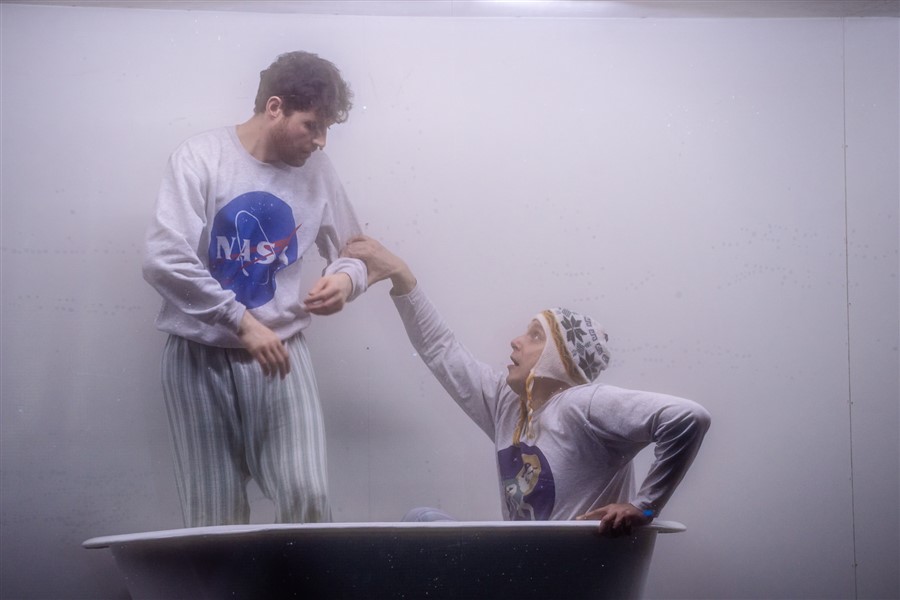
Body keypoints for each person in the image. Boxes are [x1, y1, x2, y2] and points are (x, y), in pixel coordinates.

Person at [342, 235, 711, 536]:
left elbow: (687, 418)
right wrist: (402, 276)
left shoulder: (584, 404)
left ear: (560, 358)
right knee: (422, 520)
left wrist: (644, 506)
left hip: (573, 578)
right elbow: (441, 349)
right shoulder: (509, 406)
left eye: (535, 335)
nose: (516, 341)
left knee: (422, 524)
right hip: (524, 570)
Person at [142, 51, 368, 527]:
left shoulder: (319, 172)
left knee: (308, 497)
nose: (321, 141)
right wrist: (240, 321)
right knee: (214, 517)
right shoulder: (201, 158)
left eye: (327, 128)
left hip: (282, 353)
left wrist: (346, 280)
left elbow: (356, 250)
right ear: (274, 107)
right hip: (199, 357)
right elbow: (163, 258)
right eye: (312, 126)